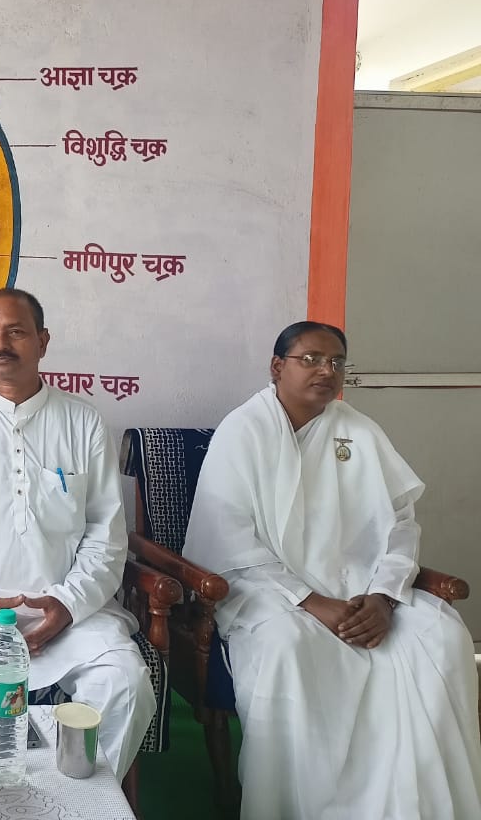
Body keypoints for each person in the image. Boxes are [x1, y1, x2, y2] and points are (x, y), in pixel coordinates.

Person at [183, 321, 481, 819]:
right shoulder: (244, 430)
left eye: (336, 362)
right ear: (277, 367)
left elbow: (400, 524)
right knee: (287, 646)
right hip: (267, 591)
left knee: (440, 635)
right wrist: (312, 602)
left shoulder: (359, 429)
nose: (326, 370)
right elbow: (227, 539)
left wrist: (384, 597)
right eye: (311, 359)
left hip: (365, 592)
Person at [0, 288, 155, 779]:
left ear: (43, 341)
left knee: (124, 684)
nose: (0, 344)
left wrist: (67, 604)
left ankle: (74, 802)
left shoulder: (83, 421)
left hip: (64, 611)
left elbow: (106, 535)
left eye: (15, 332)